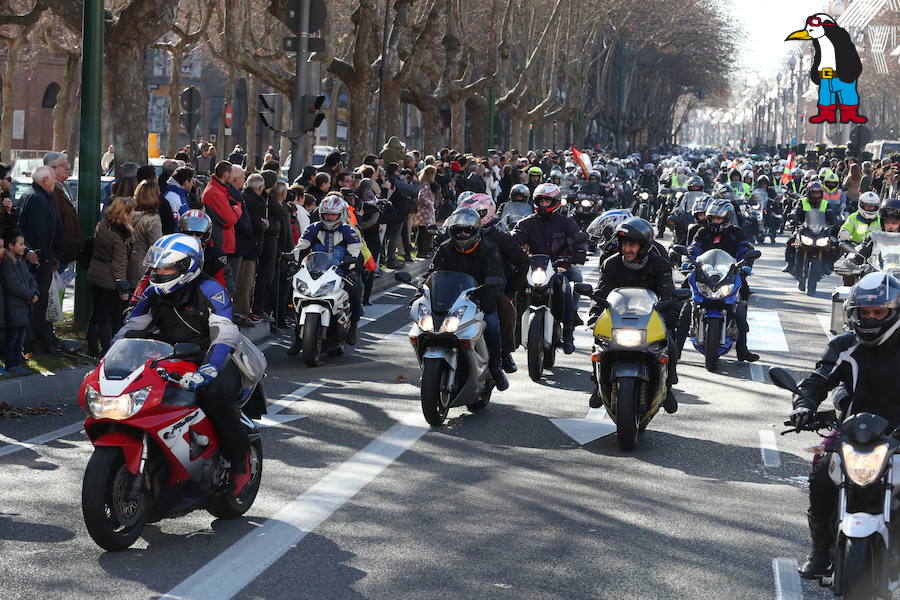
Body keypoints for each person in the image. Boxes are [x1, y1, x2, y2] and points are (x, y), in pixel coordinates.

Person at [116, 233, 251, 497]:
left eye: (166, 267)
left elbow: (225, 332)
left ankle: (240, 462)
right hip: (169, 360)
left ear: (186, 266)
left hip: (210, 360)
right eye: (157, 267)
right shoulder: (153, 292)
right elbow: (131, 328)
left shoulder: (212, 290)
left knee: (214, 399)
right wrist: (112, 360)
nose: (159, 272)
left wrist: (210, 370)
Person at [789, 272, 900, 579]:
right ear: (853, 314)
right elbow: (817, 381)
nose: (872, 317)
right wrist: (804, 405)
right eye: (865, 312)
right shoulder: (844, 345)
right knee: (822, 478)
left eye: (879, 312)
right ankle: (821, 550)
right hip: (853, 435)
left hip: (898, 435)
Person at [591, 217, 679, 413]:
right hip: (618, 318)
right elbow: (601, 292)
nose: (627, 249)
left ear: (644, 246)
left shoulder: (660, 265)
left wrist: (671, 317)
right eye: (624, 245)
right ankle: (597, 385)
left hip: (650, 319)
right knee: (598, 344)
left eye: (632, 245)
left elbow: (668, 294)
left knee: (670, 346)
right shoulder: (610, 264)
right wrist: (594, 314)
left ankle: (668, 388)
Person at [427, 207, 508, 390]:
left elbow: (498, 277)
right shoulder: (445, 248)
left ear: (476, 230)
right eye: (458, 230)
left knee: (493, 326)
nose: (462, 234)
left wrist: (488, 289)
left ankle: (495, 367)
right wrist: (421, 292)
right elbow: (432, 274)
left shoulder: (489, 248)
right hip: (450, 301)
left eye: (467, 230)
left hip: (480, 300)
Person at [512, 182, 587, 355]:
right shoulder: (527, 223)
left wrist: (580, 251)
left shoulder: (567, 223)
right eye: (541, 201)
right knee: (515, 289)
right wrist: (507, 244)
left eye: (547, 201)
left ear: (556, 201)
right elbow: (515, 238)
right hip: (533, 267)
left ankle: (568, 333)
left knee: (568, 288)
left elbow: (578, 239)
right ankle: (515, 330)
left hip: (559, 266)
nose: (544, 204)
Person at [683, 199, 759, 363]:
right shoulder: (702, 232)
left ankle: (742, 350)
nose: (714, 221)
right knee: (684, 300)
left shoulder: (736, 233)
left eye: (718, 218)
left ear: (727, 218)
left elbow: (745, 250)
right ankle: (676, 347)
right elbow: (694, 248)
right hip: (705, 273)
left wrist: (745, 264)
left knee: (741, 305)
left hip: (729, 273)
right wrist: (688, 259)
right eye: (712, 218)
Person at [460, 193, 529, 373]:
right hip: (459, 290)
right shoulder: (454, 237)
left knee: (506, 312)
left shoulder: (500, 238)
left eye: (474, 213)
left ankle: (504, 353)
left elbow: (523, 262)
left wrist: (510, 291)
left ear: (486, 213)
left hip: (491, 291)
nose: (468, 218)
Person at [287, 195, 363, 353]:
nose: (329, 217)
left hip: (341, 271)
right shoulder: (313, 228)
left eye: (333, 214)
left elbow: (355, 251)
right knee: (292, 292)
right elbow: (301, 246)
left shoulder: (349, 230)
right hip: (314, 271)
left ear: (341, 214)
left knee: (355, 289)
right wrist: (293, 259)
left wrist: (351, 264)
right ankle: (298, 339)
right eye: (327, 214)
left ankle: (354, 324)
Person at [18, 165, 62, 354]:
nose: (56, 181)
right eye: (53, 178)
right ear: (44, 180)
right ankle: (34, 343)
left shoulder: (42, 197)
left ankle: (39, 340)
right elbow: (38, 233)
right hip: (37, 262)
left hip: (41, 258)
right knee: (37, 303)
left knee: (40, 304)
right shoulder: (36, 199)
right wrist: (47, 257)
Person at [86, 197, 134, 357]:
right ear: (124, 214)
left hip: (95, 273)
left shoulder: (103, 225)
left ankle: (91, 345)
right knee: (107, 317)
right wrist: (123, 287)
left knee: (97, 312)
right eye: (131, 212)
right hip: (108, 279)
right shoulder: (119, 237)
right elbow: (119, 264)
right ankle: (107, 350)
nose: (133, 215)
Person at [1, 230, 38, 375]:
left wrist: (35, 292)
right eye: (21, 244)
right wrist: (30, 295)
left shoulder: (21, 261)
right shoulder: (7, 264)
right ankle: (11, 364)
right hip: (14, 307)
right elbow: (13, 284)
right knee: (13, 338)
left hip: (23, 306)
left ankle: (16, 362)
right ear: (11, 246)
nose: (24, 247)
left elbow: (30, 278)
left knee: (20, 338)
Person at [783, 182, 833, 273]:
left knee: (830, 244)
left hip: (820, 230)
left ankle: (826, 264)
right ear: (809, 193)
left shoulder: (825, 204)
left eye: (817, 193)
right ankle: (790, 263)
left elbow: (831, 215)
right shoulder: (802, 202)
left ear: (821, 194)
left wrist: (836, 223)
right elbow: (796, 211)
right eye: (813, 193)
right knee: (791, 242)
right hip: (804, 228)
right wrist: (793, 217)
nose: (815, 195)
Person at [128, 180, 163, 286]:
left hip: (127, 264)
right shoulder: (153, 220)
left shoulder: (128, 215)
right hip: (143, 268)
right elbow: (156, 247)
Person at [415, 165, 438, 259]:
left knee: (427, 231)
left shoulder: (428, 184)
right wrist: (430, 204)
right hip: (424, 212)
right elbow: (421, 197)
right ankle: (422, 250)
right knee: (424, 232)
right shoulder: (425, 184)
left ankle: (426, 249)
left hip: (428, 212)